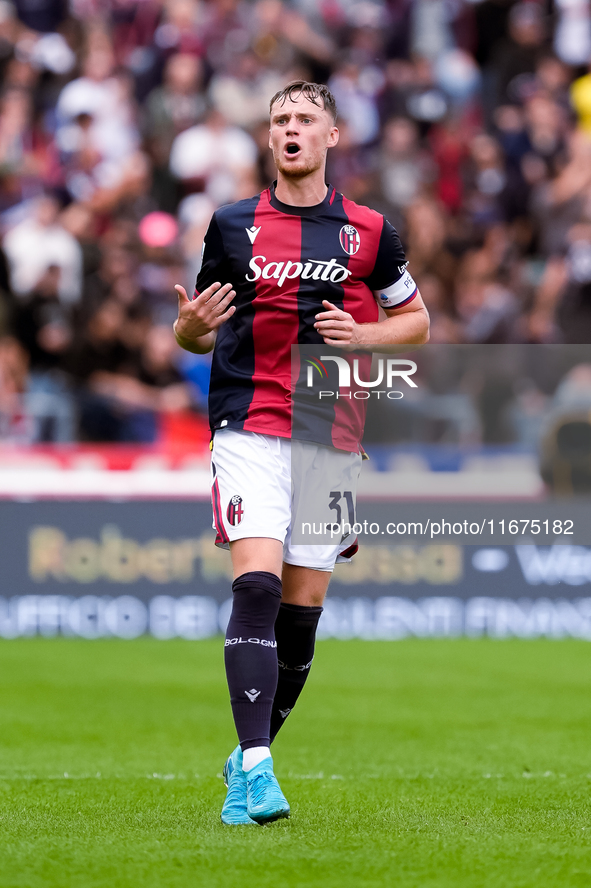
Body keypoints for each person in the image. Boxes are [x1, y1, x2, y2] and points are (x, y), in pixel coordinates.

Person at [173, 81, 430, 826]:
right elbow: (195, 331)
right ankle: (257, 765)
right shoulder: (231, 226)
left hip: (330, 432)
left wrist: (366, 337)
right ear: (268, 138)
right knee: (253, 587)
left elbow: (412, 321)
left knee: (300, 614)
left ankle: (246, 756)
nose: (290, 130)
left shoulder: (369, 231)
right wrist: (189, 327)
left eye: (304, 120)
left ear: (331, 136)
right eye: (280, 120)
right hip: (248, 421)